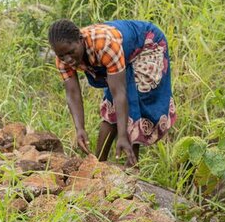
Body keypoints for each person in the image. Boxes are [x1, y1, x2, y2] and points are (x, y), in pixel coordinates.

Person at [48, 18, 176, 166]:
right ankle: (97, 165)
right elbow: (73, 94)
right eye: (62, 55)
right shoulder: (62, 58)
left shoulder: (105, 45)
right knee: (111, 108)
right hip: (119, 53)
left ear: (80, 39)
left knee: (134, 99)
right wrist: (80, 129)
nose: (67, 59)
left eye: (71, 52)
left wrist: (122, 135)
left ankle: (131, 169)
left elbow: (119, 93)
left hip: (145, 45)